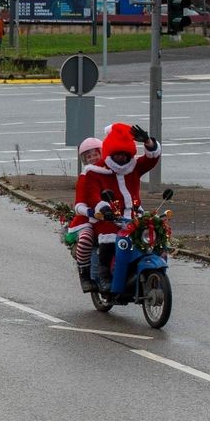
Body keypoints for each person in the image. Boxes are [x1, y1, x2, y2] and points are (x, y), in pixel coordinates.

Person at [79, 123, 161, 293]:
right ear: (111, 153)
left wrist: (148, 142)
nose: (122, 158)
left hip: (133, 216)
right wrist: (103, 207)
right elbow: (92, 195)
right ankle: (104, 276)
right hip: (107, 217)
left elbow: (151, 159)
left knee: (153, 236)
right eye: (118, 154)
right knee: (108, 239)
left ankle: (147, 270)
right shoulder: (96, 172)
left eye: (125, 154)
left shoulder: (134, 167)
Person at [68, 136, 103, 292]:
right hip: (88, 218)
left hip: (110, 217)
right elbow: (78, 205)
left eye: (96, 154)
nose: (93, 158)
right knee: (86, 238)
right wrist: (89, 211)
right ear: (84, 159)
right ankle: (84, 274)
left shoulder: (111, 172)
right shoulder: (84, 177)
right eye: (89, 156)